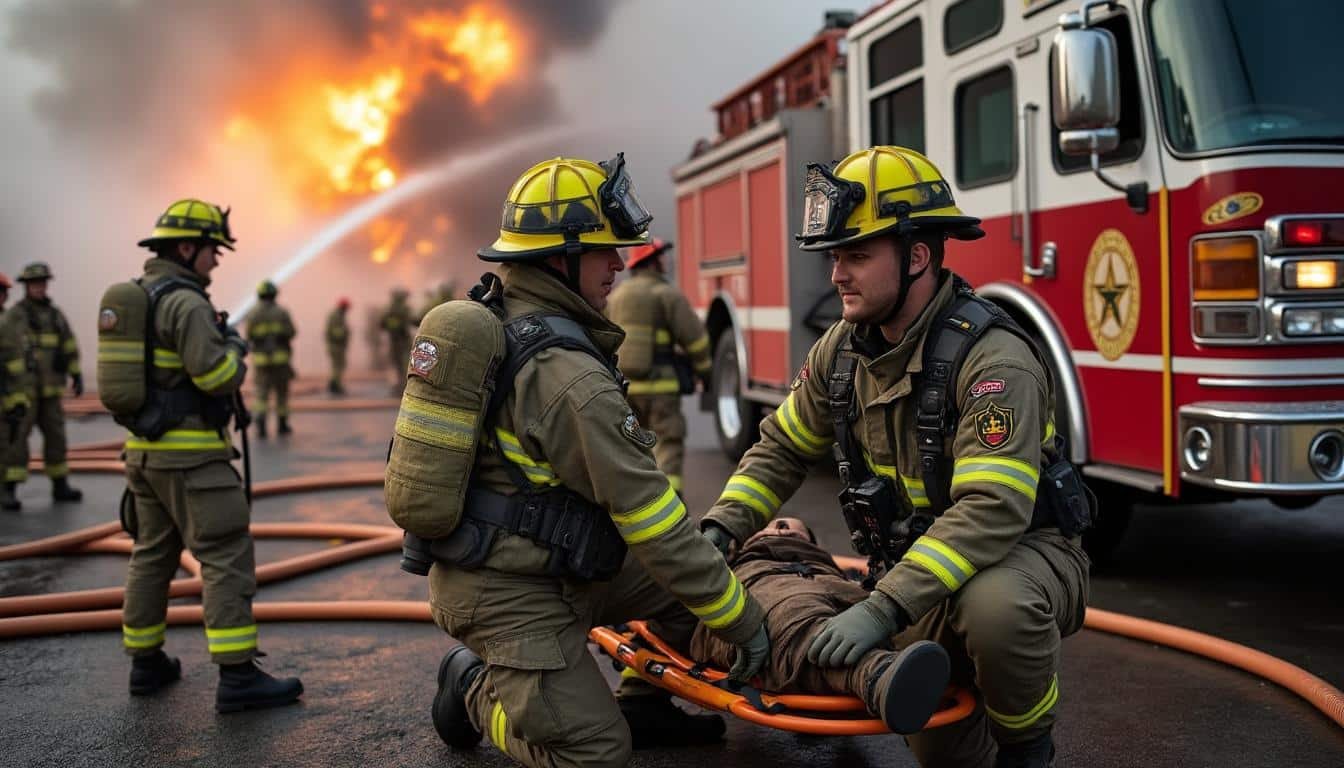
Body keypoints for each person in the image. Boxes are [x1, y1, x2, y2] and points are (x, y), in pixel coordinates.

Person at [699, 147, 1090, 768]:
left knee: (997, 611)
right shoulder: (843, 350)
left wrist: (882, 609)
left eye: (856, 255)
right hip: (915, 574)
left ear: (917, 257)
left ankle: (1027, 745)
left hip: (1020, 556)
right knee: (946, 754)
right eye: (834, 257)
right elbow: (781, 447)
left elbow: (993, 510)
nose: (836, 276)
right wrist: (721, 528)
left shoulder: (994, 360)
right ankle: (971, 696)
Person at [413, 155, 769, 768]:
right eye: (605, 251)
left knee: (687, 593)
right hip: (508, 592)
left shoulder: (522, 323)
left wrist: (716, 596)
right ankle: (471, 690)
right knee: (596, 753)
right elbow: (655, 526)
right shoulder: (569, 381)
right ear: (559, 258)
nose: (619, 264)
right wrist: (746, 624)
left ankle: (644, 701)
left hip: (558, 565)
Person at [104, 198, 302, 711]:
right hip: (192, 460)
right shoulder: (185, 303)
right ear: (187, 248)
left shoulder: (144, 296)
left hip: (144, 457)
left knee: (152, 555)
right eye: (213, 250)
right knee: (224, 555)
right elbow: (214, 376)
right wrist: (235, 350)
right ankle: (238, 677)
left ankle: (145, 665)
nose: (217, 261)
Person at [688, 517, 951, 734]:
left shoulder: (832, 569)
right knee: (796, 628)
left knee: (904, 618)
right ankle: (877, 675)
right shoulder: (731, 575)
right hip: (766, 585)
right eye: (766, 526)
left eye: (787, 525)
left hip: (825, 578)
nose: (777, 529)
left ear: (813, 543)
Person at [605, 238, 711, 494]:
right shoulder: (666, 294)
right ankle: (672, 505)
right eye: (661, 257)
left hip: (625, 389)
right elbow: (695, 339)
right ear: (651, 262)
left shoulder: (616, 297)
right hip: (661, 389)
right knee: (668, 444)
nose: (666, 261)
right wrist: (705, 372)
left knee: (632, 448)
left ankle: (637, 505)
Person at [1, 262, 83, 504]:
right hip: (22, 393)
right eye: (34, 283)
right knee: (15, 440)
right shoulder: (13, 317)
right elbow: (5, 353)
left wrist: (76, 373)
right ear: (26, 286)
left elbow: (68, 344)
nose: (39, 287)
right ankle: (8, 489)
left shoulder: (56, 316)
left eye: (42, 283)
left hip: (50, 390)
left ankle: (60, 485)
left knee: (57, 437)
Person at [246, 280, 296, 437]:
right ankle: (282, 424)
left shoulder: (253, 313)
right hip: (280, 359)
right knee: (281, 392)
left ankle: (261, 424)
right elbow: (292, 332)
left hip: (261, 360)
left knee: (261, 393)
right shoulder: (282, 312)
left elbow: (249, 335)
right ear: (274, 294)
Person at [0, 271, 31, 510]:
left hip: (5, 396)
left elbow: (15, 366)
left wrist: (16, 400)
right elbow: (14, 365)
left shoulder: (6, 322)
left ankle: (5, 491)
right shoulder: (8, 322)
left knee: (7, 444)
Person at [380, 288, 414, 394]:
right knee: (404, 364)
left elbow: (382, 324)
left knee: (398, 364)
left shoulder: (388, 309)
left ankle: (400, 385)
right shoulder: (405, 309)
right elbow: (412, 320)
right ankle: (404, 385)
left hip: (394, 340)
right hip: (403, 341)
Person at [325, 297, 351, 395]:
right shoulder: (336, 316)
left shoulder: (338, 315)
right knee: (338, 366)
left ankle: (335, 383)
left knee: (338, 366)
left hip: (337, 345)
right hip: (336, 345)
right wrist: (344, 333)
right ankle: (335, 385)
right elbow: (335, 332)